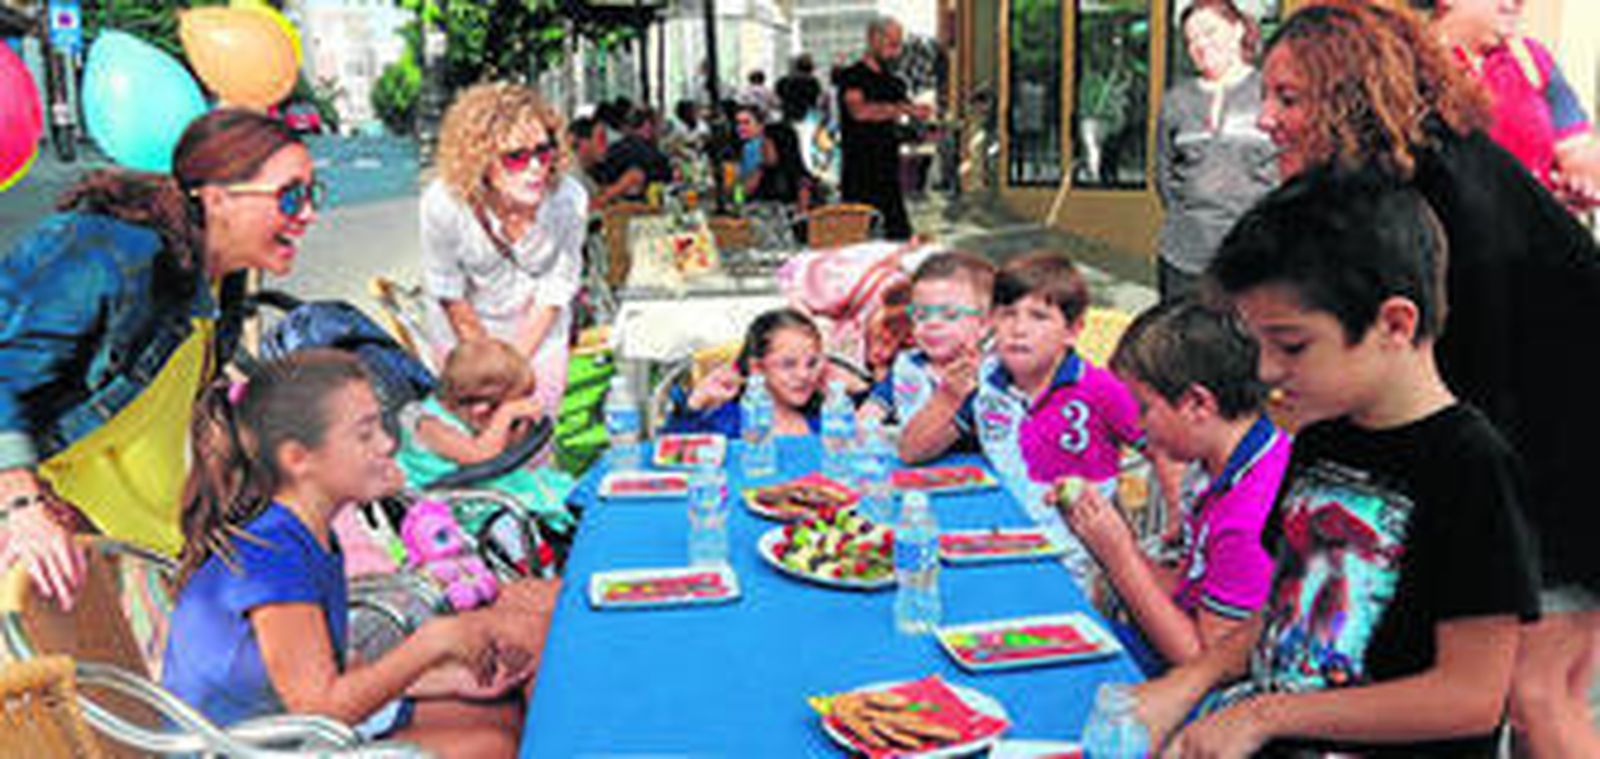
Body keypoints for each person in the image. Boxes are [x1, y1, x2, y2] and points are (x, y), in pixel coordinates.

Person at [1255, 3, 1600, 754]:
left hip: (1567, 465)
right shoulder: (1437, 161)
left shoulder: (1424, 196)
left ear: (1351, 96)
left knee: (1538, 690)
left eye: (1289, 99)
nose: (1266, 120)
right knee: (1553, 688)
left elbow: (1471, 379)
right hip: (1561, 442)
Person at [1135, 166, 1540, 757]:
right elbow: (1281, 616)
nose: (1267, 371)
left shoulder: (1473, 469)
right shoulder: (1320, 438)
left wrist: (1263, 715)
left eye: (1292, 345)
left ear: (1394, 324)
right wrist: (1189, 680)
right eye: (1260, 344)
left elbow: (1471, 695)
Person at [0, 109, 320, 609]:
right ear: (217, 197)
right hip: (31, 525)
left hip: (116, 534)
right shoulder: (111, 254)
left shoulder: (222, 280)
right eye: (291, 195)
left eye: (311, 195)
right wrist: (23, 504)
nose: (307, 214)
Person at [164, 351, 536, 755]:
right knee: (490, 746)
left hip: (288, 728)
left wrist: (446, 680)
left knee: (501, 712)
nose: (388, 444)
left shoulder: (305, 530)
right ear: (298, 459)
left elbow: (335, 662)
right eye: (365, 434)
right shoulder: (271, 558)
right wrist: (433, 642)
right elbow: (321, 707)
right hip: (250, 747)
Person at [1057, 298, 1286, 671]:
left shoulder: (1250, 514)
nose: (1138, 425)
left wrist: (1120, 558)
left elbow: (1204, 664)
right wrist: (1104, 534)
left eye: (1143, 407)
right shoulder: (1218, 466)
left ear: (1198, 404)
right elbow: (1187, 588)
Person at [922, 252, 1159, 592]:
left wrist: (1175, 521)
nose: (1019, 330)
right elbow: (913, 450)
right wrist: (948, 397)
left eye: (1038, 317)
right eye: (1007, 315)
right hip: (998, 545)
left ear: (1073, 331)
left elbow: (1166, 450)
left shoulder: (1101, 390)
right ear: (990, 322)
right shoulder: (985, 381)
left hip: (1075, 564)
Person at [421, 83, 586, 426]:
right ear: (480, 159)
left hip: (538, 335)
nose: (535, 166)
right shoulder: (443, 204)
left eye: (544, 150)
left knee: (532, 443)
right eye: (516, 156)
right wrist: (490, 373)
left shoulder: (569, 200)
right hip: (464, 339)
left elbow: (557, 287)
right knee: (473, 448)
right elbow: (450, 293)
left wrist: (516, 366)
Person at [1411, 0, 1600, 208]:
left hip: (1530, 234)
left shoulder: (1532, 62)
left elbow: (1577, 150)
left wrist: (1583, 179)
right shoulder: (1405, 66)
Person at [1153, 0, 1278, 301]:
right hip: (1183, 259)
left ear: (1237, 30)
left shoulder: (1269, 92)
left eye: (1209, 32)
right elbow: (1164, 174)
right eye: (1191, 39)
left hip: (1258, 259)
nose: (1200, 45)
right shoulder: (1177, 101)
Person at [395, 338, 576, 544]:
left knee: (559, 487)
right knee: (511, 529)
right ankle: (536, 565)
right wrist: (506, 416)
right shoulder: (430, 426)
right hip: (458, 504)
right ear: (480, 409)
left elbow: (504, 448)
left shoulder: (470, 415)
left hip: (483, 483)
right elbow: (479, 455)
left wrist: (518, 426)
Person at [876, 251, 995, 451]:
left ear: (984, 324)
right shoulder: (909, 366)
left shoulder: (990, 375)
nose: (932, 324)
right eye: (921, 314)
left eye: (949, 314)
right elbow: (868, 415)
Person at [836, 16, 934, 240]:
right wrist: (904, 110)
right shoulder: (852, 76)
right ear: (873, 39)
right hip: (858, 175)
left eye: (899, 45)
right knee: (858, 241)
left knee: (898, 239)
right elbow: (859, 112)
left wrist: (921, 123)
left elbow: (902, 120)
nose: (896, 52)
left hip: (889, 174)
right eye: (891, 44)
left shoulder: (895, 82)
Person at [664, 309, 826, 438]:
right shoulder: (728, 420)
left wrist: (852, 390)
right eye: (788, 364)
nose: (804, 374)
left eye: (812, 363)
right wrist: (695, 403)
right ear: (757, 368)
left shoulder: (827, 419)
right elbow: (671, 457)